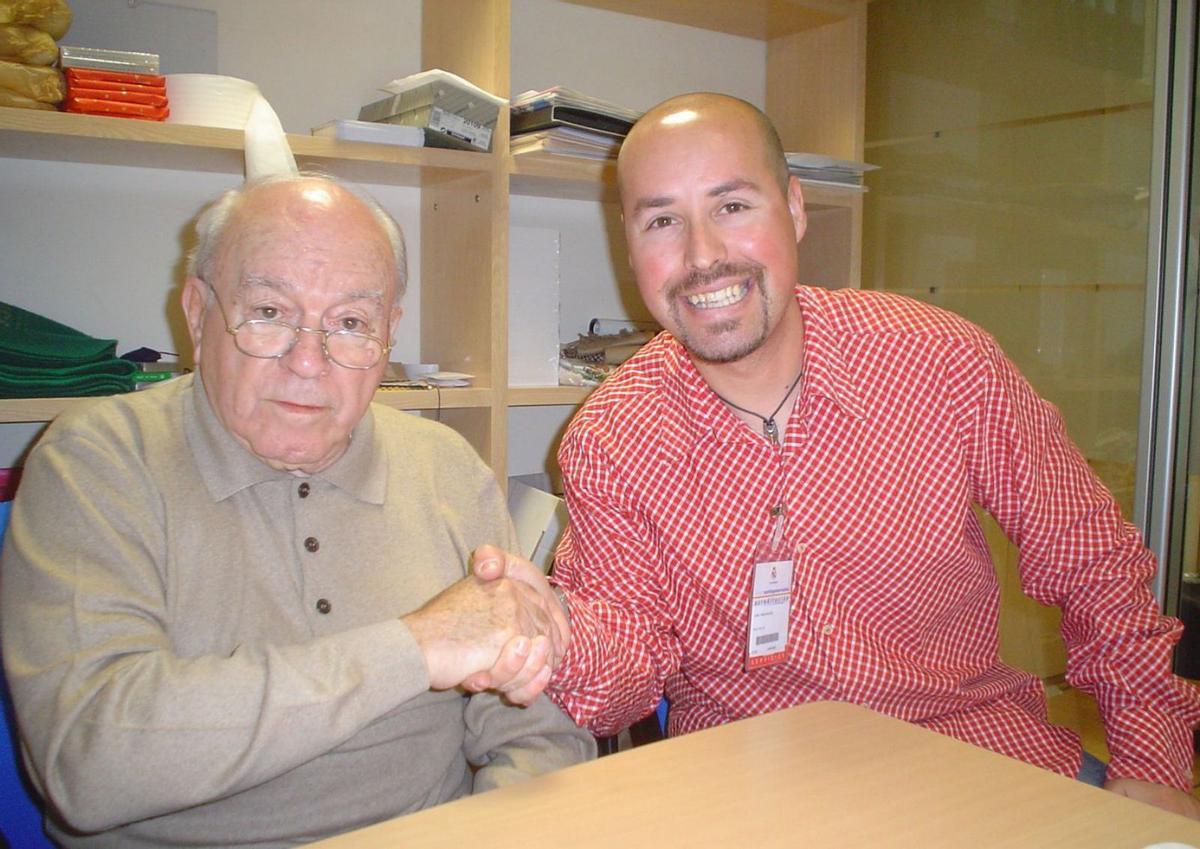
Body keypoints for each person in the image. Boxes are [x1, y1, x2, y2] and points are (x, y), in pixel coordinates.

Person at [502, 92, 1200, 818]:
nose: (702, 255)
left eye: (732, 205)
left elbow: (1094, 563)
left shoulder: (941, 362)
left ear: (796, 208)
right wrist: (555, 638)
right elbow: (626, 664)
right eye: (663, 220)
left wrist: (1154, 763)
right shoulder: (614, 439)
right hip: (758, 795)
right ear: (630, 244)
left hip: (976, 756)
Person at [0, 173, 593, 849]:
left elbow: (536, 734)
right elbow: (89, 761)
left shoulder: (446, 467)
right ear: (198, 313)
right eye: (270, 312)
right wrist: (417, 644)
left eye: (349, 323)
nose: (309, 362)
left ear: (387, 337)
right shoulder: (94, 463)